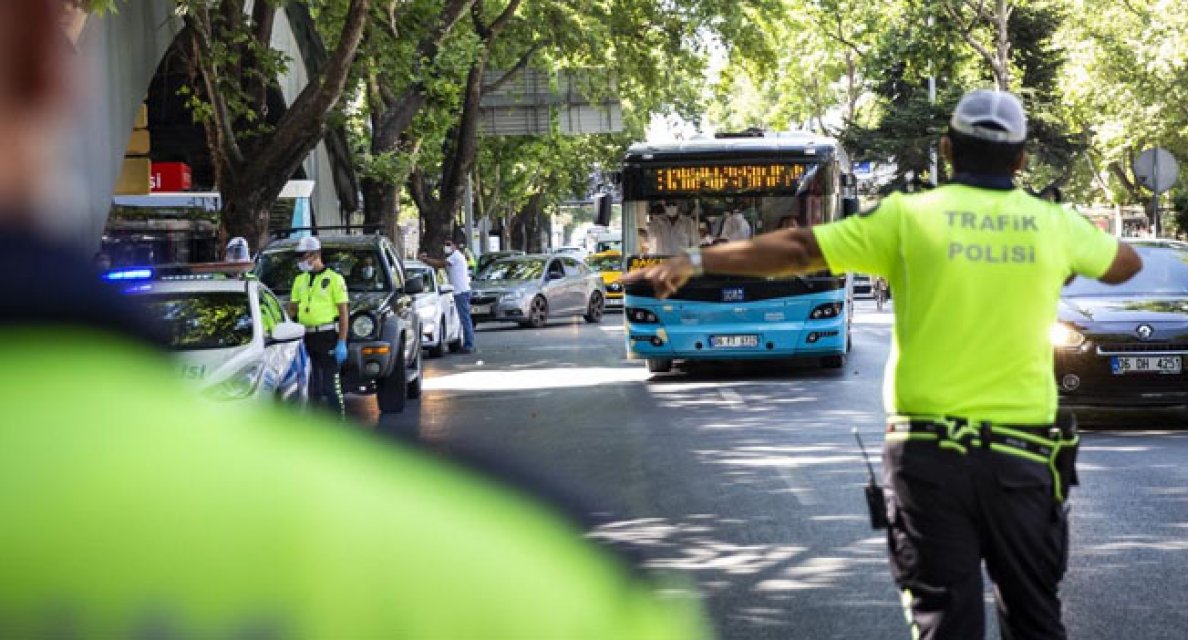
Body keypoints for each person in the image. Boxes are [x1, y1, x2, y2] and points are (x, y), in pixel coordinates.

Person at [0, 3, 707, 636]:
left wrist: (336, 336)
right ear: (45, 56)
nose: (307, 258)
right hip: (306, 354)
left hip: (320, 341)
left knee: (335, 392)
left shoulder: (335, 280)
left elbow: (338, 308)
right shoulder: (534, 580)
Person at [624, 89, 1142, 640]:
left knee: (944, 622)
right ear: (1020, 159)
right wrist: (1055, 261)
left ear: (947, 150)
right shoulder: (1051, 224)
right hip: (1024, 458)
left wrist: (699, 258)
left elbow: (800, 249)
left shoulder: (908, 217)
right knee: (1037, 621)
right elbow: (1124, 264)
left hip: (928, 461)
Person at [289, 235, 350, 417]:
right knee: (311, 386)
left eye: (304, 255)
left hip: (327, 336)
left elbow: (343, 312)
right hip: (306, 337)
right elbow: (292, 309)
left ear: (316, 254)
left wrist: (342, 342)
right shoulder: (299, 280)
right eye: (299, 256)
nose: (301, 260)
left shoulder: (334, 279)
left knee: (331, 386)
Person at [419, 239, 474, 353]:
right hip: (461, 291)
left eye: (449, 244)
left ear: (455, 245)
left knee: (465, 319)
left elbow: (440, 264)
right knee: (465, 319)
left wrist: (426, 260)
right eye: (445, 244)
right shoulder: (455, 256)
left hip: (461, 292)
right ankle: (469, 343)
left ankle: (469, 345)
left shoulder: (456, 256)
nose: (446, 247)